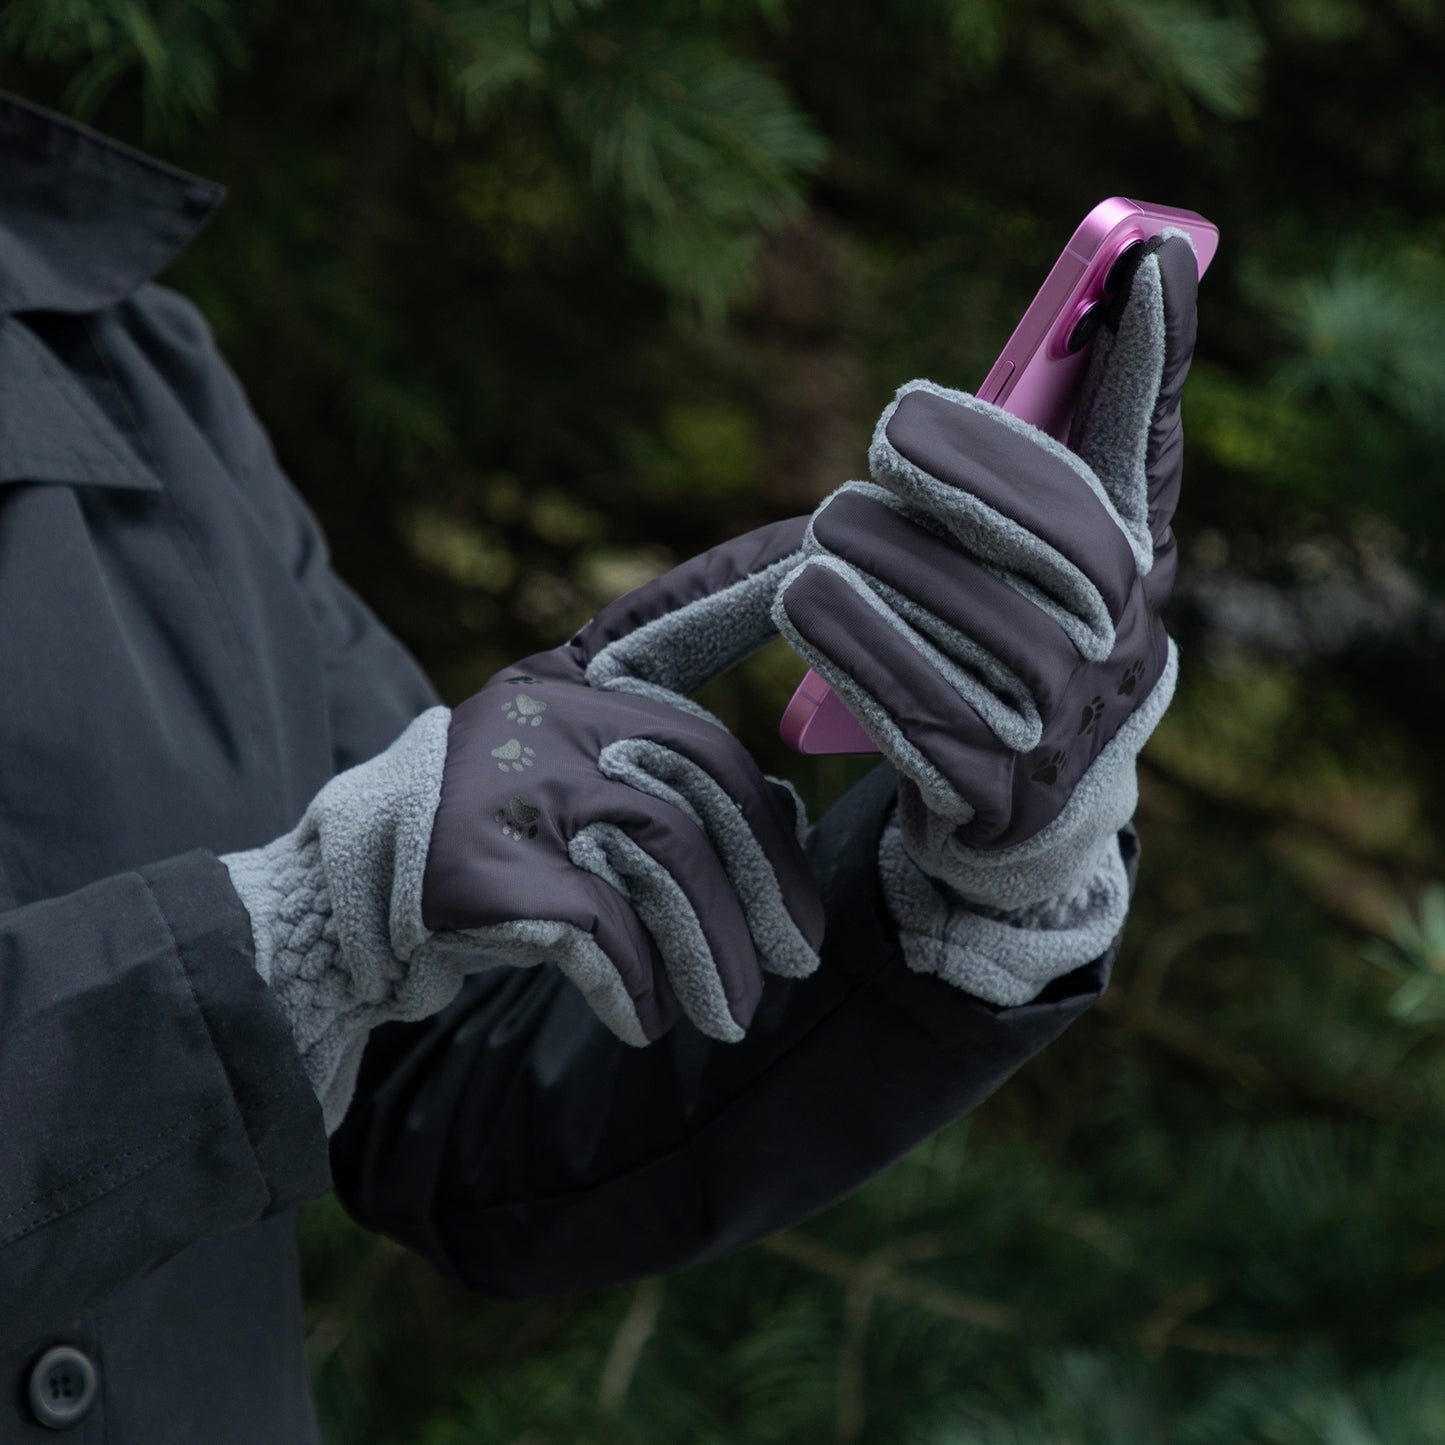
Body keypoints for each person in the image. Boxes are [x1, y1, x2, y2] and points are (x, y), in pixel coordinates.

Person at [0, 88, 1195, 1440]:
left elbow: (455, 1100)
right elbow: (307, 932)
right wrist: (294, 935)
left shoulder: (132, 364)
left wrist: (986, 887)